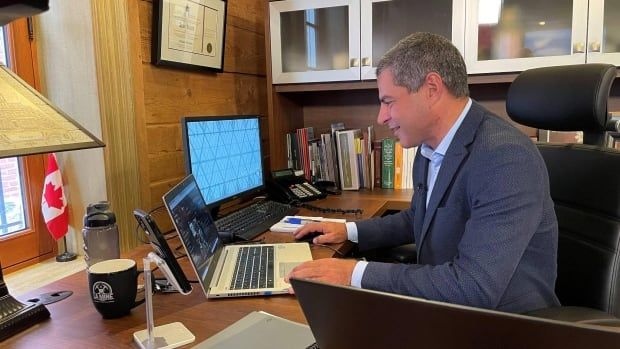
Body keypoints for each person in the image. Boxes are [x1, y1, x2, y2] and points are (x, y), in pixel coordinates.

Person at [286, 32, 560, 314]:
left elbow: (473, 287)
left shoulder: (505, 157)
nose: (381, 117)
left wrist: (354, 273)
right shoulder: (431, 146)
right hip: (446, 307)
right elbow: (420, 216)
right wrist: (349, 230)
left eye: (389, 101)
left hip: (504, 325)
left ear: (431, 88)